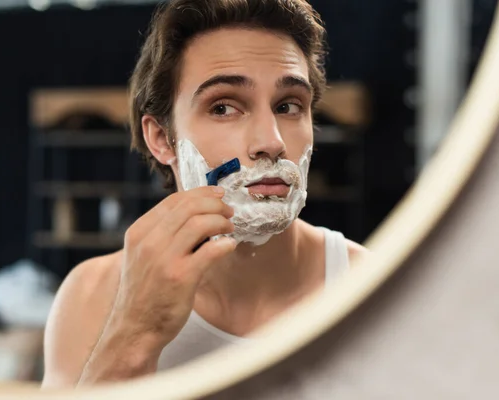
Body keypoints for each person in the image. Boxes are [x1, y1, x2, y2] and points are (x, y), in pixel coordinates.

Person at [41, 0, 369, 389]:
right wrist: (134, 334)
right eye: (224, 107)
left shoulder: (371, 286)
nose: (272, 142)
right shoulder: (93, 295)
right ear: (162, 139)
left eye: (288, 105)